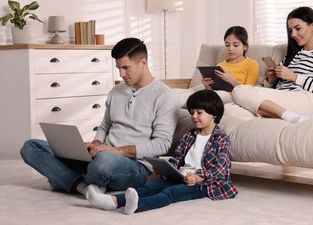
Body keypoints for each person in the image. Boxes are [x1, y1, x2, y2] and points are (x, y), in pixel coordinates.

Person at [20, 37, 181, 196]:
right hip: (101, 154)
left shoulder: (165, 96)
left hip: (135, 166)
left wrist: (115, 151)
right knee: (30, 147)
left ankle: (63, 177)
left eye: (126, 68)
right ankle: (81, 186)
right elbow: (105, 126)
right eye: (118, 68)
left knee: (102, 165)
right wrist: (95, 144)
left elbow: (162, 144)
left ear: (143, 63)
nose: (121, 74)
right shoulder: (116, 91)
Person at [86, 89, 238, 214]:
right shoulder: (190, 135)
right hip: (182, 176)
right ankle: (114, 201)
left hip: (204, 183)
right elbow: (177, 158)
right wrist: (167, 169)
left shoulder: (221, 139)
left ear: (214, 114)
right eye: (192, 112)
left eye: (199, 112)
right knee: (151, 186)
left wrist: (198, 178)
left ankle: (138, 206)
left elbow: (220, 169)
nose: (194, 116)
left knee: (170, 193)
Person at [232, 6, 313, 123]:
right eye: (290, 30)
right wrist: (271, 80)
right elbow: (273, 88)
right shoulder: (292, 55)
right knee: (229, 109)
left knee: (239, 90)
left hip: (306, 100)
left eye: (298, 28)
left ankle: (291, 117)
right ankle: (288, 116)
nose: (293, 34)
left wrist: (294, 77)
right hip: (284, 98)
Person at [202, 26, 259, 103]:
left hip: (234, 97)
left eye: (235, 45)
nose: (230, 49)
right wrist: (207, 86)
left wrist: (231, 80)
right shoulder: (220, 65)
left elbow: (248, 92)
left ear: (245, 46)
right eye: (227, 45)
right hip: (217, 96)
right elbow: (214, 90)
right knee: (197, 97)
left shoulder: (252, 64)